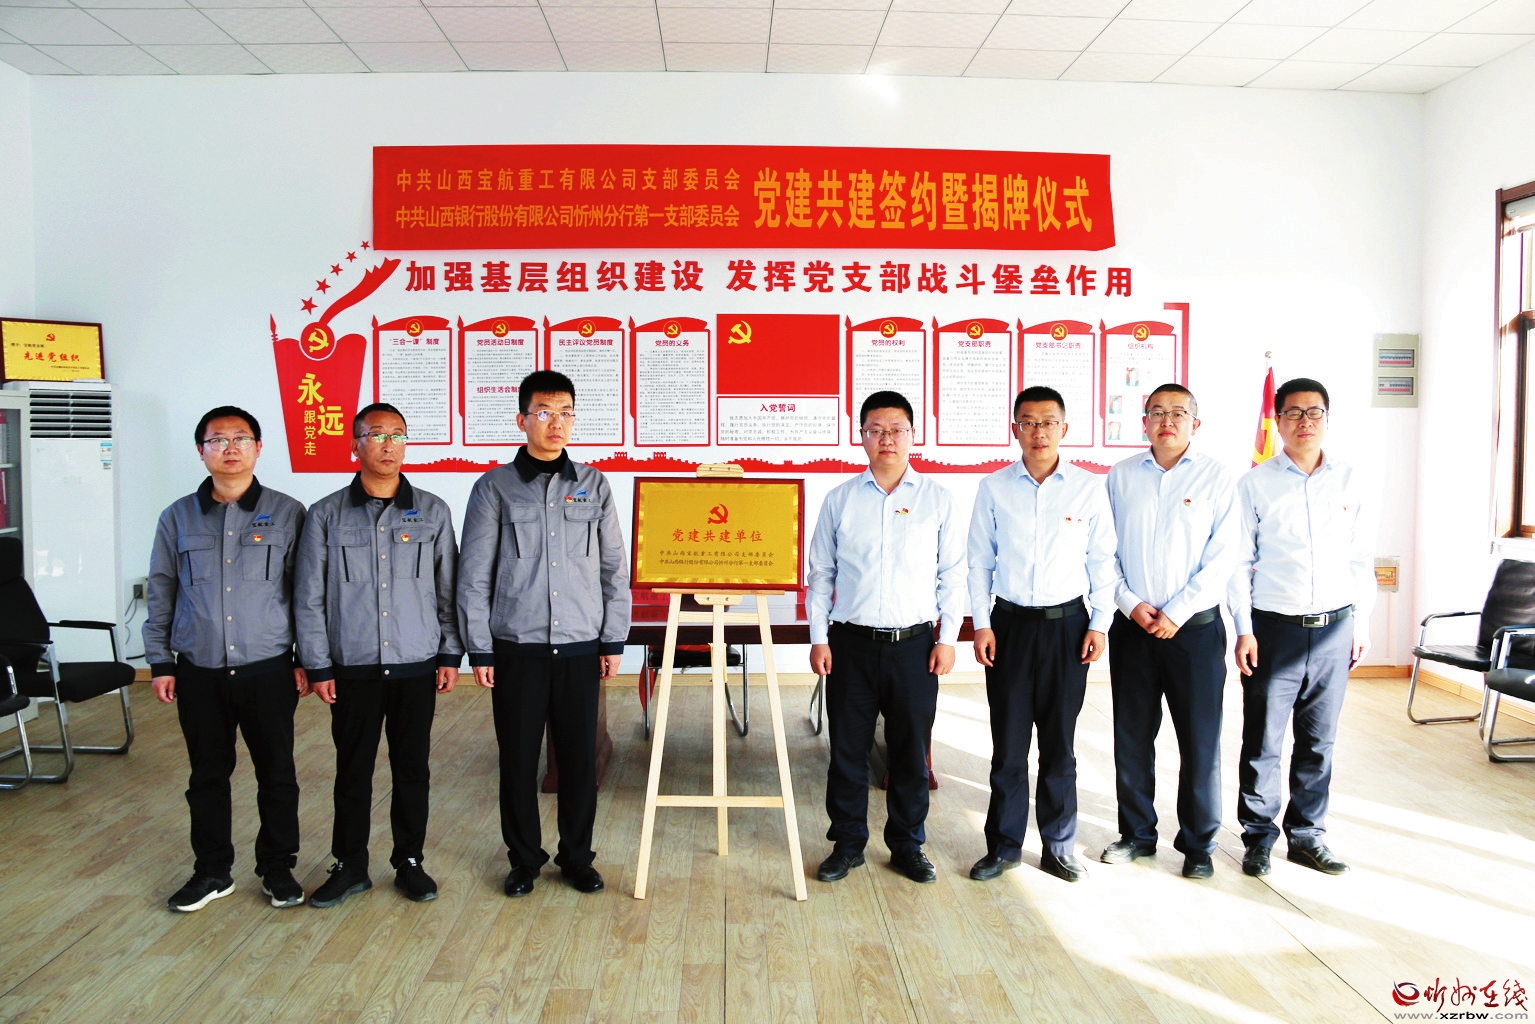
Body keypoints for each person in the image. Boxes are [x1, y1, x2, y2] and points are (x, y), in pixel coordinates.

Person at [458, 370, 631, 897]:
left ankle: (577, 857)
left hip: (580, 645)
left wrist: (612, 639)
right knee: (517, 761)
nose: (557, 423)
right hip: (518, 648)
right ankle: (524, 860)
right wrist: (479, 648)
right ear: (522, 420)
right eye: (544, 413)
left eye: (566, 413)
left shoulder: (594, 485)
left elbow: (613, 569)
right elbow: (474, 575)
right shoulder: (493, 487)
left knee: (579, 763)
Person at [294, 403, 464, 908]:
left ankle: (409, 861)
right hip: (353, 666)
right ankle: (350, 865)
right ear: (356, 444)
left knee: (413, 768)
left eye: (398, 435)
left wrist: (449, 653)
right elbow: (309, 596)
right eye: (377, 434)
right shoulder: (325, 514)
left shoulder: (432, 511)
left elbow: (447, 589)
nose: (389, 444)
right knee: (353, 770)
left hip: (415, 662)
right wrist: (318, 663)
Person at [144, 406, 309, 912]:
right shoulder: (177, 517)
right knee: (207, 776)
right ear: (202, 451)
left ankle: (277, 867)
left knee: (276, 773)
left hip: (269, 668)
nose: (230, 448)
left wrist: (308, 659)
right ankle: (212, 871)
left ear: (258, 448)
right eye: (218, 440)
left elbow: (306, 594)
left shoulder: (288, 513)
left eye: (241, 438)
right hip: (200, 671)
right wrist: (160, 661)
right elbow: (162, 590)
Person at [807, 391, 965, 885]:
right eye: (875, 430)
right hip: (850, 645)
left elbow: (952, 575)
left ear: (913, 435)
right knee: (847, 751)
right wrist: (818, 637)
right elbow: (821, 574)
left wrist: (948, 638)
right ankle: (847, 844)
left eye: (896, 429)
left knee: (910, 753)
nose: (886, 439)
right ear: (861, 436)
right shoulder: (840, 499)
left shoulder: (937, 499)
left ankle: (907, 845)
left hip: (915, 647)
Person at [967, 386, 1116, 883]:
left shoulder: (1088, 489)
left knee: (1059, 744)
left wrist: (1099, 623)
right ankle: (1004, 846)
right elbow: (979, 561)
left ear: (1064, 429)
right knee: (1008, 745)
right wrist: (982, 624)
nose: (1038, 432)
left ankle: (1059, 846)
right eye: (1028, 422)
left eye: (1048, 422)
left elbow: (1102, 561)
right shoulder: (994, 488)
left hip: (1067, 628)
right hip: (1009, 627)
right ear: (1015, 429)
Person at [1230, 377, 1376, 877]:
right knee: (1263, 741)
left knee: (1318, 741)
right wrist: (1244, 629)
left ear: (1327, 419)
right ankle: (1258, 837)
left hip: (1336, 628)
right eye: (1293, 412)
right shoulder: (1255, 484)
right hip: (1274, 629)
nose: (1304, 421)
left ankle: (1308, 836)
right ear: (1278, 421)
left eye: (1314, 412)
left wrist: (1361, 623)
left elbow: (1361, 559)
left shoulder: (1351, 480)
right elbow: (1238, 563)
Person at [1103, 384, 1238, 880]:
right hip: (1133, 629)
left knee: (1199, 742)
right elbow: (1102, 550)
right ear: (1143, 422)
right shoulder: (1120, 477)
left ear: (1195, 424)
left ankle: (1199, 843)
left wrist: (1177, 611)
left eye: (1178, 413)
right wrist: (1130, 603)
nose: (1167, 421)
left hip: (1195, 632)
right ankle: (1137, 834)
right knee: (1132, 737)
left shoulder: (1218, 478)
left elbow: (1223, 557)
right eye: (1157, 412)